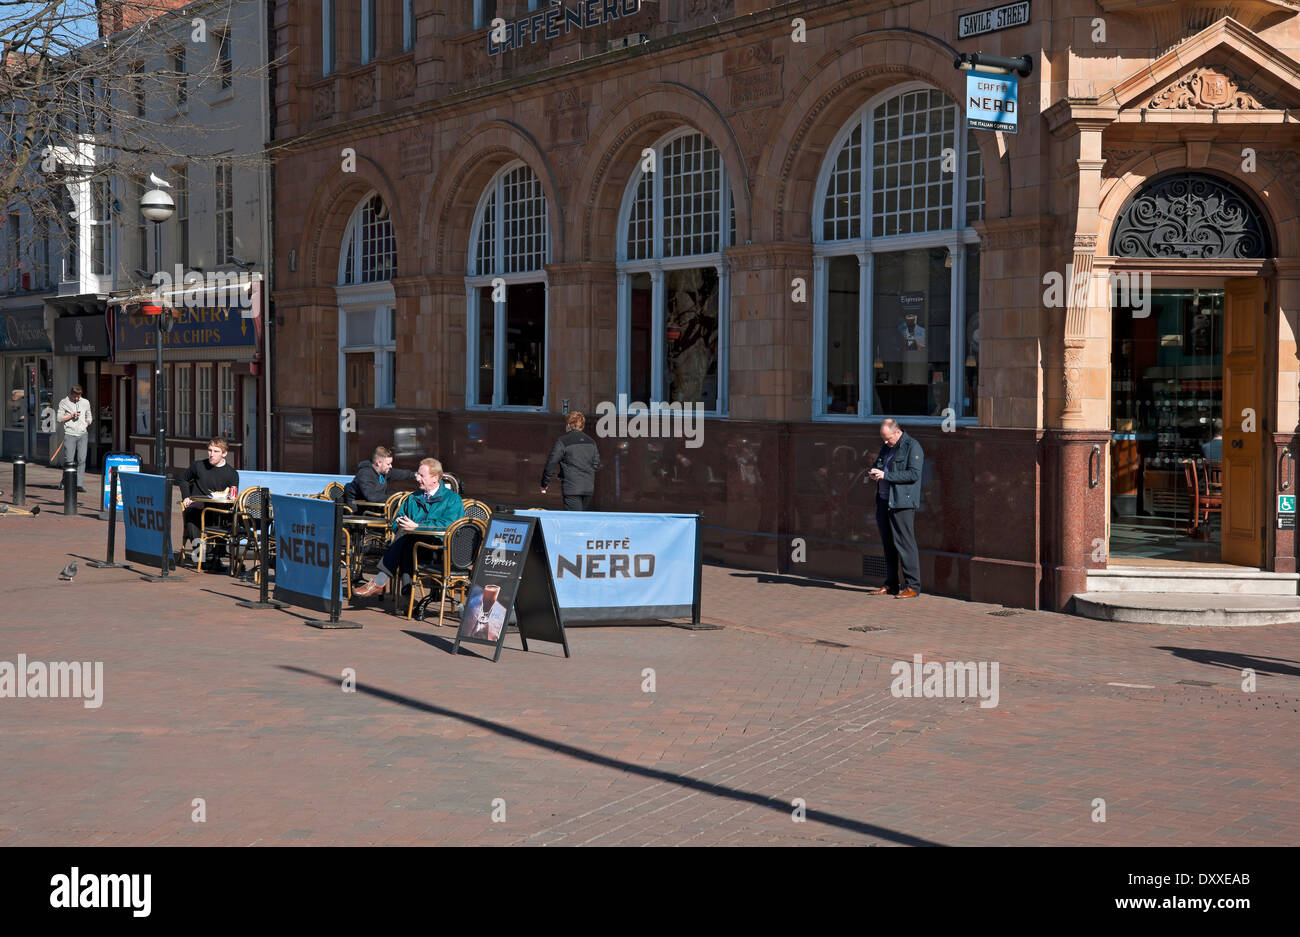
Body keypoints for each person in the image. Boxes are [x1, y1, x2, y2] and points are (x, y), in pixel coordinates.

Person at [354, 458, 464, 598]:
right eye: (417, 474)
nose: (417, 478)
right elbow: (396, 522)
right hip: (415, 547)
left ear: (435, 478)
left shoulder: (452, 499)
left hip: (440, 549)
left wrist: (418, 527)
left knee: (406, 539)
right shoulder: (413, 497)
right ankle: (405, 594)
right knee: (407, 540)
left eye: (422, 475)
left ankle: (382, 582)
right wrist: (401, 523)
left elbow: (449, 526)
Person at [867, 418, 924, 598]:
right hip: (884, 501)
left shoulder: (912, 446)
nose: (885, 442)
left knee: (905, 544)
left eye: (888, 438)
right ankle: (891, 584)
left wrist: (886, 475)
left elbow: (913, 474)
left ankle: (913, 586)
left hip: (902, 503)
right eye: (883, 438)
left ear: (897, 432)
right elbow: (879, 465)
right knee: (888, 544)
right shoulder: (887, 447)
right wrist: (875, 472)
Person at [181, 438, 240, 569]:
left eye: (216, 451)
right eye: (210, 450)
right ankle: (200, 557)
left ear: (224, 453)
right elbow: (183, 479)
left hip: (217, 510)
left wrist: (227, 497)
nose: (211, 454)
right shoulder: (198, 466)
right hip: (197, 508)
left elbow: (232, 498)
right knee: (192, 518)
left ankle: (216, 557)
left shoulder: (232, 474)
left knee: (226, 519)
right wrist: (186, 497)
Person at [540, 411, 602, 510]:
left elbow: (552, 462)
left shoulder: (563, 441)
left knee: (575, 518)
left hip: (571, 488)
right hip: (588, 489)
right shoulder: (591, 442)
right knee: (580, 515)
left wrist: (544, 483)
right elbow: (596, 465)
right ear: (582, 426)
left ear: (569, 425)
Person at [344, 445, 415, 510]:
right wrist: (394, 498)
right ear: (379, 463)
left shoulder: (382, 472)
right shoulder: (364, 474)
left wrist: (414, 474)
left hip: (371, 506)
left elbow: (398, 473)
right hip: (358, 510)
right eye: (388, 464)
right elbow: (371, 497)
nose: (390, 466)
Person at [56, 385, 93, 491]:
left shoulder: (85, 402)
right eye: (75, 396)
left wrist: (86, 423)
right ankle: (65, 482)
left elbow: (89, 416)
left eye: (78, 396)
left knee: (82, 460)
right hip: (70, 434)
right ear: (71, 394)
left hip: (83, 435)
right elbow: (59, 418)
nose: (77, 398)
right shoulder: (64, 402)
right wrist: (71, 415)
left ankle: (78, 484)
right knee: (69, 460)